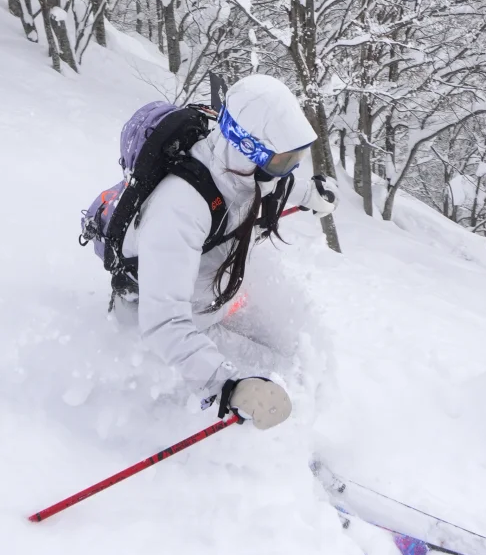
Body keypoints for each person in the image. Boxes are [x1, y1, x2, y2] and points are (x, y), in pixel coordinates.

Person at [119, 74, 336, 430]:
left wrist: (315, 198)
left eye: (296, 157)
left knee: (289, 362)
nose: (289, 168)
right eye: (284, 159)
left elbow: (278, 182)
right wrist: (227, 387)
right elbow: (162, 322)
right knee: (282, 379)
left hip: (214, 303)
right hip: (184, 335)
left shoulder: (250, 170)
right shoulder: (180, 208)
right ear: (249, 148)